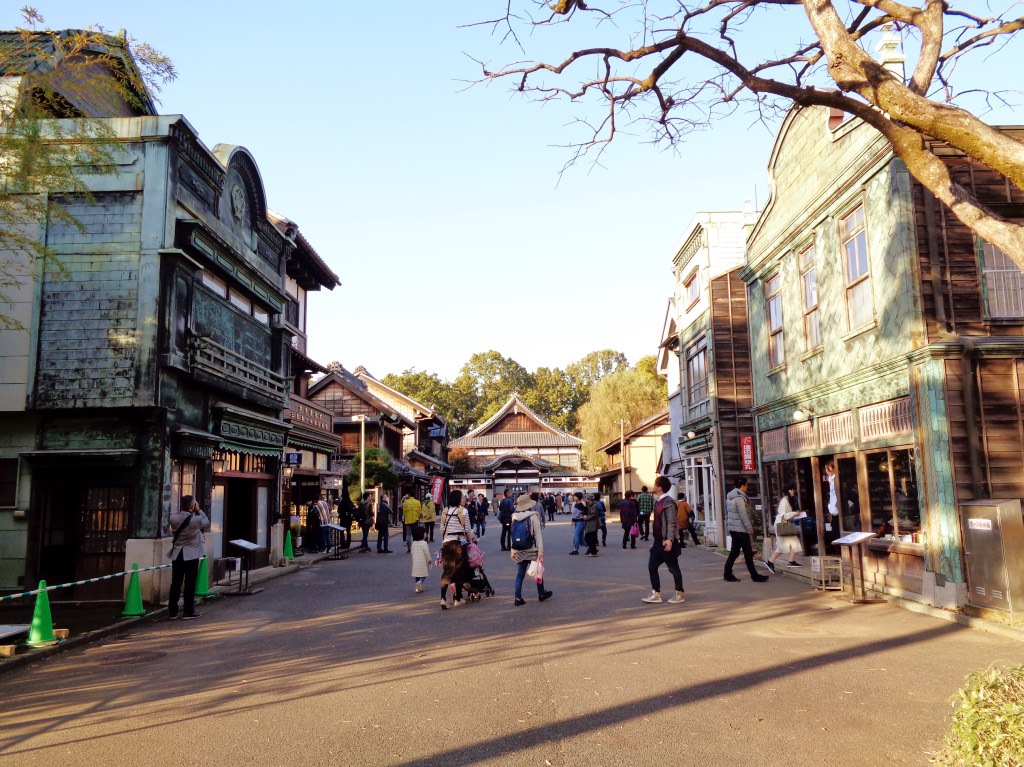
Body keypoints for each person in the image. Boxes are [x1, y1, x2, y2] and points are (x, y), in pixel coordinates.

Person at [642, 476, 686, 604]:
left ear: (659, 487)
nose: (653, 485)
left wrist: (670, 539)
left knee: (673, 568)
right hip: (657, 541)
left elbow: (672, 522)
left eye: (655, 484)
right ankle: (656, 593)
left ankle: (679, 593)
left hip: (667, 541)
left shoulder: (669, 502)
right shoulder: (657, 501)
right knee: (652, 567)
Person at [167, 494, 210, 620]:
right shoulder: (196, 520)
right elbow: (206, 521)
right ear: (193, 505)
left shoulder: (173, 519)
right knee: (190, 583)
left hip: (177, 554)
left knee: (176, 582)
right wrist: (199, 510)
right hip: (191, 554)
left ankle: (172, 611)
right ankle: (188, 610)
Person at [510, 492, 553, 606]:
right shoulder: (534, 516)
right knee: (538, 572)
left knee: (520, 575)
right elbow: (538, 535)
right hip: (532, 548)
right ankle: (541, 594)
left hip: (519, 549)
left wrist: (513, 551)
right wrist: (541, 551)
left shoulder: (514, 516)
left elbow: (512, 535)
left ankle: (518, 598)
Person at [724, 476, 769, 582]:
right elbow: (743, 515)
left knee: (735, 553)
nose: (747, 487)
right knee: (747, 553)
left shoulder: (730, 497)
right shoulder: (739, 498)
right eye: (746, 485)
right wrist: (749, 528)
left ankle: (728, 573)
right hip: (740, 529)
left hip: (734, 529)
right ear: (743, 485)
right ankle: (754, 576)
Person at [439, 489, 476, 609]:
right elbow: (468, 530)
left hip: (447, 543)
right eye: (462, 497)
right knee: (459, 570)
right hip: (460, 543)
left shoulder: (445, 511)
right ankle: (458, 598)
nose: (464, 499)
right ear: (458, 499)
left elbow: (441, 530)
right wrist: (472, 539)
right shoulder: (464, 511)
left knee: (447, 571)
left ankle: (443, 599)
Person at [765, 484, 803, 573]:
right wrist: (794, 514)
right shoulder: (784, 501)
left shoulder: (789, 500)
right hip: (781, 524)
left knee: (794, 542)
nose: (793, 491)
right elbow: (783, 515)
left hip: (785, 524)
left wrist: (795, 514)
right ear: (788, 491)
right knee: (783, 545)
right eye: (792, 490)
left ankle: (791, 561)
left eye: (793, 490)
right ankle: (770, 561)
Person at [410, 525, 431, 593]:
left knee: (417, 575)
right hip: (422, 562)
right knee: (425, 573)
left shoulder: (413, 543)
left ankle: (417, 588)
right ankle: (420, 582)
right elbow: (427, 553)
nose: (426, 534)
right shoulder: (424, 543)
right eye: (425, 533)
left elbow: (412, 552)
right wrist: (429, 560)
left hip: (415, 562)